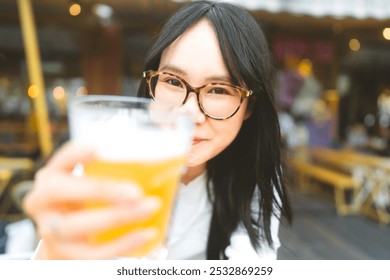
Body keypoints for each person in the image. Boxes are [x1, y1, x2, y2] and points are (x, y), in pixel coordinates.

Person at [23, 0, 292, 260]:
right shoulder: (107, 152)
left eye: (220, 89)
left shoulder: (256, 171)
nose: (189, 114)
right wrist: (54, 256)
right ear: (152, 83)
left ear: (249, 106)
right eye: (174, 81)